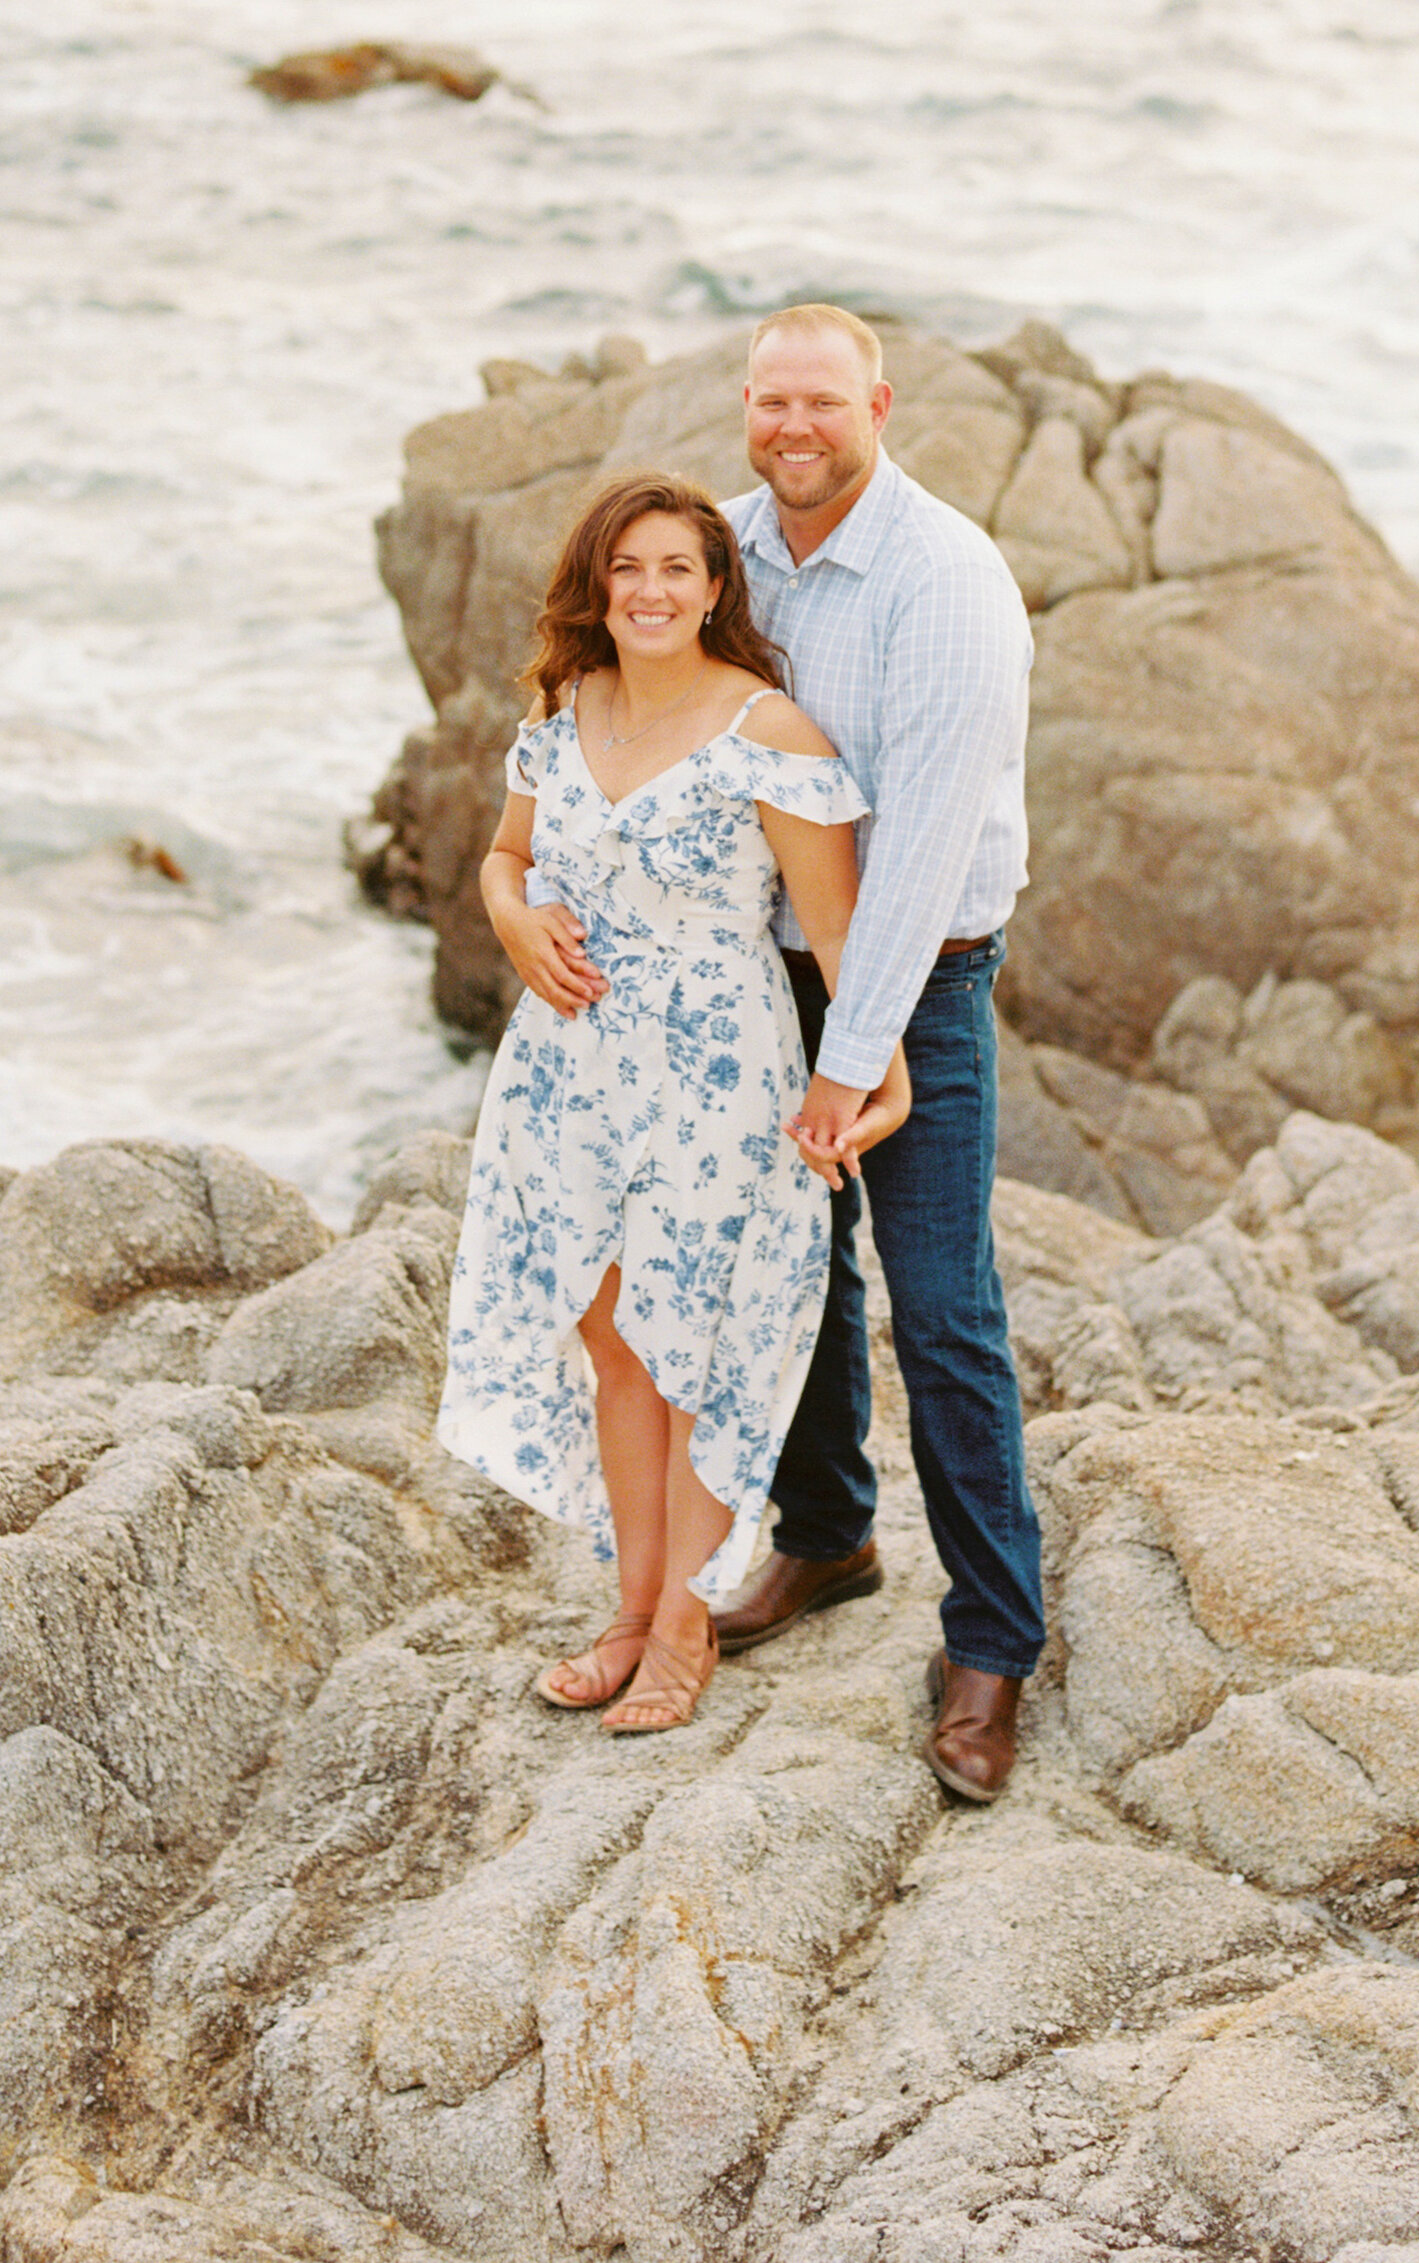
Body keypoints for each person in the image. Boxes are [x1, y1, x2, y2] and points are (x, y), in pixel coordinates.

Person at [435, 470, 909, 1736]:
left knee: (689, 1344)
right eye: (628, 568)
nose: (650, 591)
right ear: (600, 584)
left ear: (713, 590)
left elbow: (835, 928)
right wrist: (510, 913)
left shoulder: (771, 731)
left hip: (712, 1071)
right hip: (567, 1067)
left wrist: (867, 1067)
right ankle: (631, 1606)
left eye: (677, 571)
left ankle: (690, 1623)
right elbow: (502, 851)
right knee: (611, 1348)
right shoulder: (566, 703)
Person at [714, 302, 1044, 1804]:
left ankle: (991, 1639)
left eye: (822, 401)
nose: (795, 426)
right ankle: (827, 1532)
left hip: (920, 983)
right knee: (789, 1271)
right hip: (750, 976)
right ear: (748, 405)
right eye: (772, 398)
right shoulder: (721, 552)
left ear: (880, 404)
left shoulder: (945, 577)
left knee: (946, 1305)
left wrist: (854, 1057)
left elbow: (915, 853)